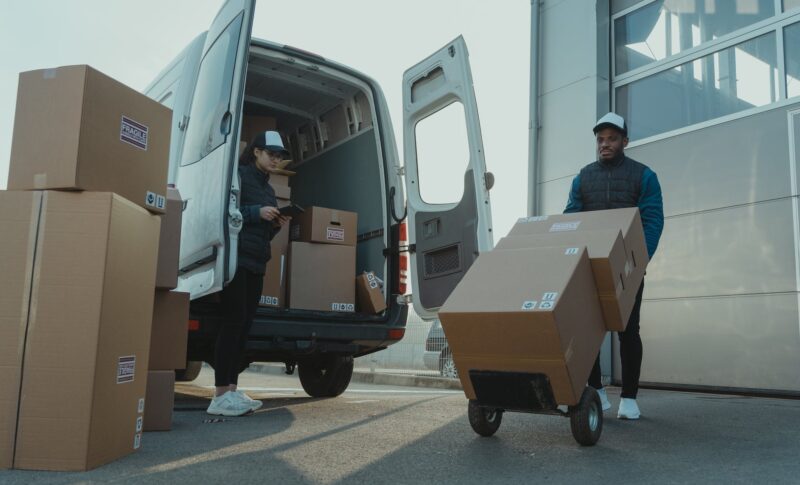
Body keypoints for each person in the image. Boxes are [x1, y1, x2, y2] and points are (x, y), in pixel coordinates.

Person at [564, 112, 664, 420]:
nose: (604, 144)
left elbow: (652, 220)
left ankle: (630, 399)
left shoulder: (643, 176)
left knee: (627, 330)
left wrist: (639, 260)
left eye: (611, 139)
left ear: (625, 141)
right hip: (589, 267)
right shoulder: (583, 177)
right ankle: (597, 392)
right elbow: (571, 218)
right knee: (588, 331)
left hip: (627, 269)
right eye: (600, 139)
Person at [207, 130, 292, 416]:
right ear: (256, 151)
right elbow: (223, 212)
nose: (275, 160)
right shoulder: (238, 177)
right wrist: (257, 213)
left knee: (244, 325)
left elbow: (262, 232)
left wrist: (275, 223)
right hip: (236, 259)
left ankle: (231, 390)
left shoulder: (269, 189)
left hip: (257, 261)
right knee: (232, 323)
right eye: (271, 154)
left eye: (279, 157)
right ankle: (219, 395)